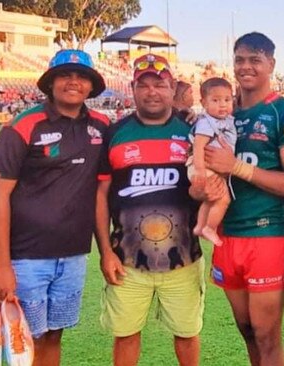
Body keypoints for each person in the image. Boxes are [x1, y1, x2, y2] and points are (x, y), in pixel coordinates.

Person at [0, 49, 109, 366]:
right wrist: (2, 265)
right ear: (51, 82)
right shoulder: (22, 127)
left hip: (73, 256)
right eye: (65, 75)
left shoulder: (101, 126)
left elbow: (101, 189)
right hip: (26, 258)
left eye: (81, 76)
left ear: (91, 85)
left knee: (54, 335)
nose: (74, 82)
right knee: (20, 340)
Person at [202, 32, 284, 366]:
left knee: (266, 334)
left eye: (255, 60)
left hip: (266, 235)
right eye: (240, 60)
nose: (246, 67)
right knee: (247, 330)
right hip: (226, 236)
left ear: (271, 65)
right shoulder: (222, 114)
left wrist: (236, 167)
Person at [96, 54, 206, 366]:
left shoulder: (193, 133)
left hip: (184, 259)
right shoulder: (115, 133)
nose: (152, 91)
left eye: (160, 84)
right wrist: (106, 251)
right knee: (126, 334)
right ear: (132, 89)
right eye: (143, 85)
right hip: (127, 261)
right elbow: (101, 196)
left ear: (173, 88)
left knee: (186, 334)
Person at [188, 77, 237, 246]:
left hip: (208, 165)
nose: (222, 105)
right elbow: (199, 145)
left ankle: (200, 226)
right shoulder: (206, 122)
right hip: (203, 165)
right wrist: (200, 170)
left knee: (211, 199)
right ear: (204, 103)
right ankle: (210, 227)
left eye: (227, 100)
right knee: (223, 200)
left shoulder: (224, 120)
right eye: (215, 100)